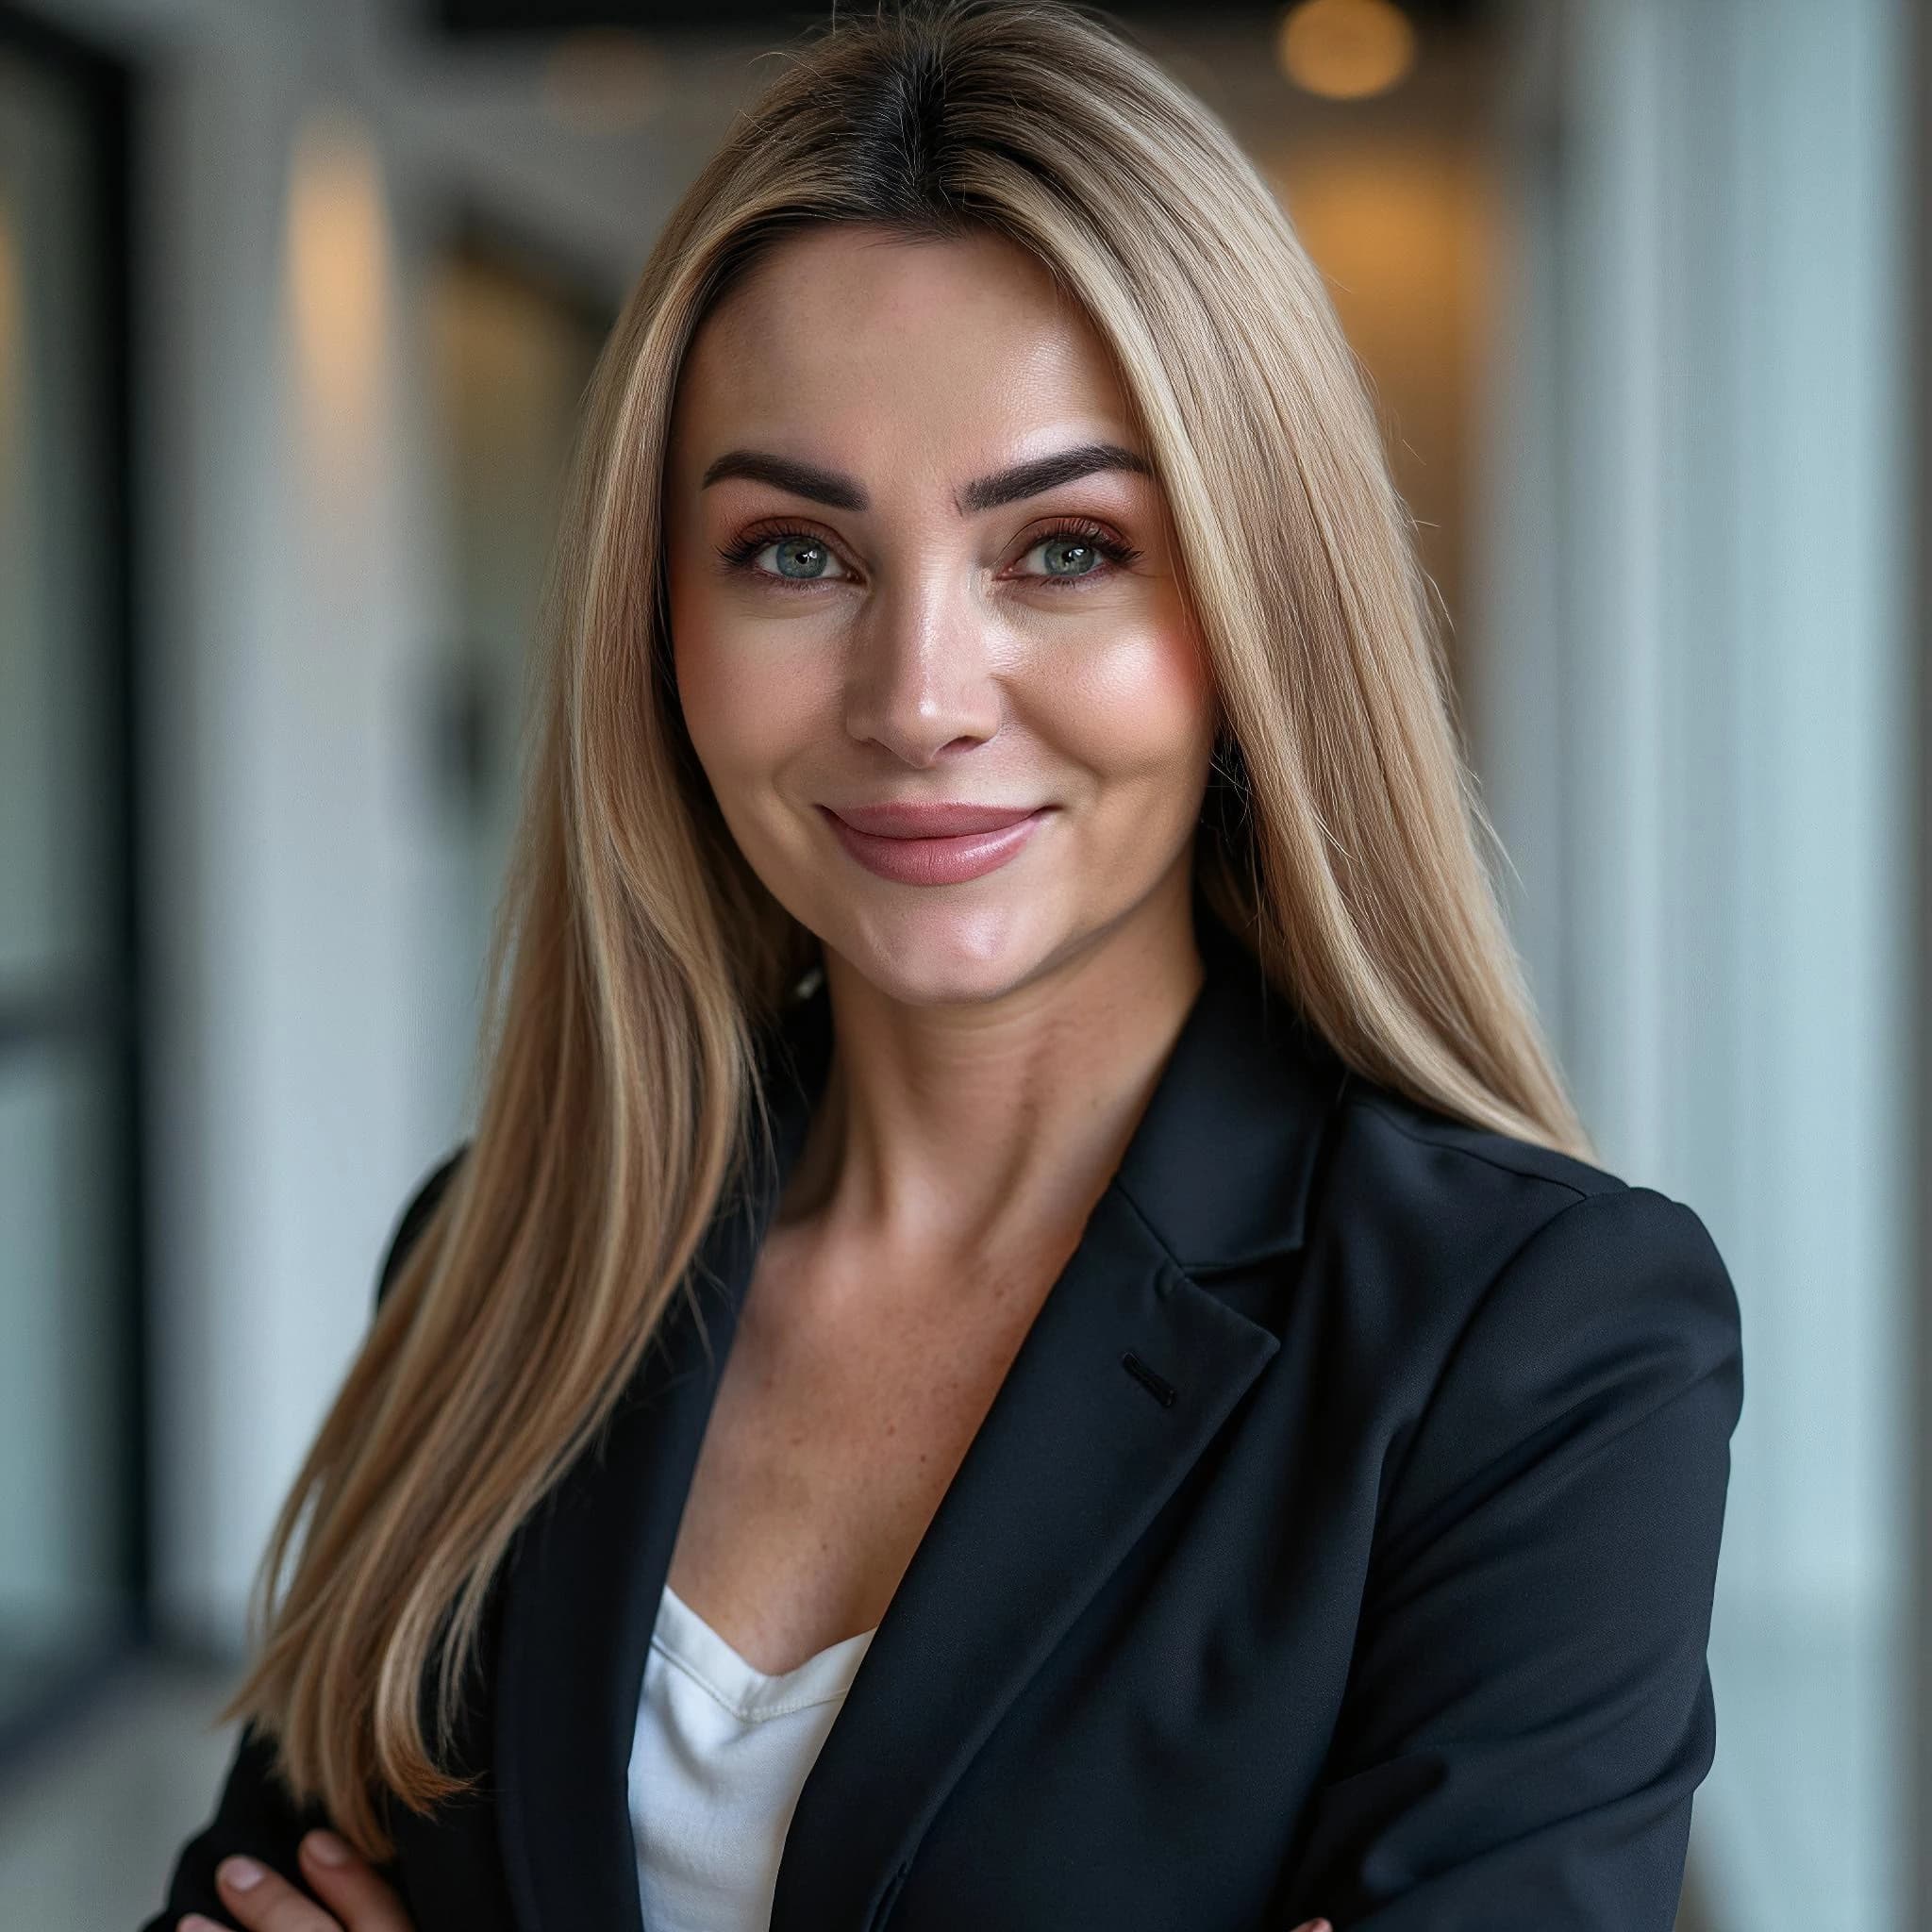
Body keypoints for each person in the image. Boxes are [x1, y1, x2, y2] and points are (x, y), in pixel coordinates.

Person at [146, 2, 1744, 1927]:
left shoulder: (1530, 1342)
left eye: (1063, 550)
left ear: (1251, 617)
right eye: (794, 555)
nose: (916, 701)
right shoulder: (506, 1253)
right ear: (657, 627)